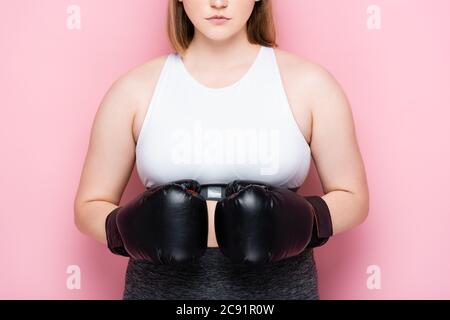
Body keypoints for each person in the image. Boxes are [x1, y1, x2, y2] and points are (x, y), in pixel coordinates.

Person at [74, 0, 369, 300]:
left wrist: (306, 220)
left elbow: (353, 198)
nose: (218, 2)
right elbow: (89, 206)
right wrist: (128, 228)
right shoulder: (133, 89)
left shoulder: (311, 84)